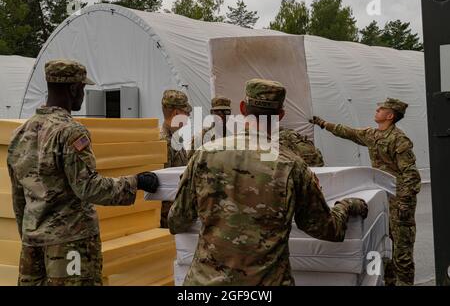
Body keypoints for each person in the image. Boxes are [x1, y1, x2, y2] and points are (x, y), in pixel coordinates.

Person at [168, 78, 368, 286]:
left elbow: (177, 221)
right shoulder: (292, 166)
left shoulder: (204, 155)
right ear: (280, 115)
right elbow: (327, 230)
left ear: (243, 108)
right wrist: (346, 206)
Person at [7, 59, 159, 286]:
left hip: (32, 243)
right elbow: (89, 187)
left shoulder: (20, 133)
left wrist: (30, 232)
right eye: (83, 89)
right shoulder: (70, 132)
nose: (83, 95)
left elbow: (18, 196)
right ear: (74, 89)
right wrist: (135, 182)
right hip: (71, 244)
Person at [310, 97, 421, 286]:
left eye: (381, 109)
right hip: (382, 197)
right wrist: (322, 123)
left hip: (399, 200)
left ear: (390, 115)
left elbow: (411, 175)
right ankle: (390, 282)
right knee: (383, 245)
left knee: (401, 251)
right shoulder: (373, 135)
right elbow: (347, 132)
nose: (376, 110)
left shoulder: (399, 140)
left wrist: (404, 203)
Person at [159, 89, 192, 228]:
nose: (188, 117)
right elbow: (165, 186)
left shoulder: (176, 138)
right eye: (186, 113)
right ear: (176, 113)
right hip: (169, 217)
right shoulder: (163, 142)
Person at [187, 96, 232, 160]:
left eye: (226, 112)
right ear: (212, 113)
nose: (222, 115)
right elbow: (190, 160)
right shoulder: (201, 136)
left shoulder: (233, 135)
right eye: (218, 112)